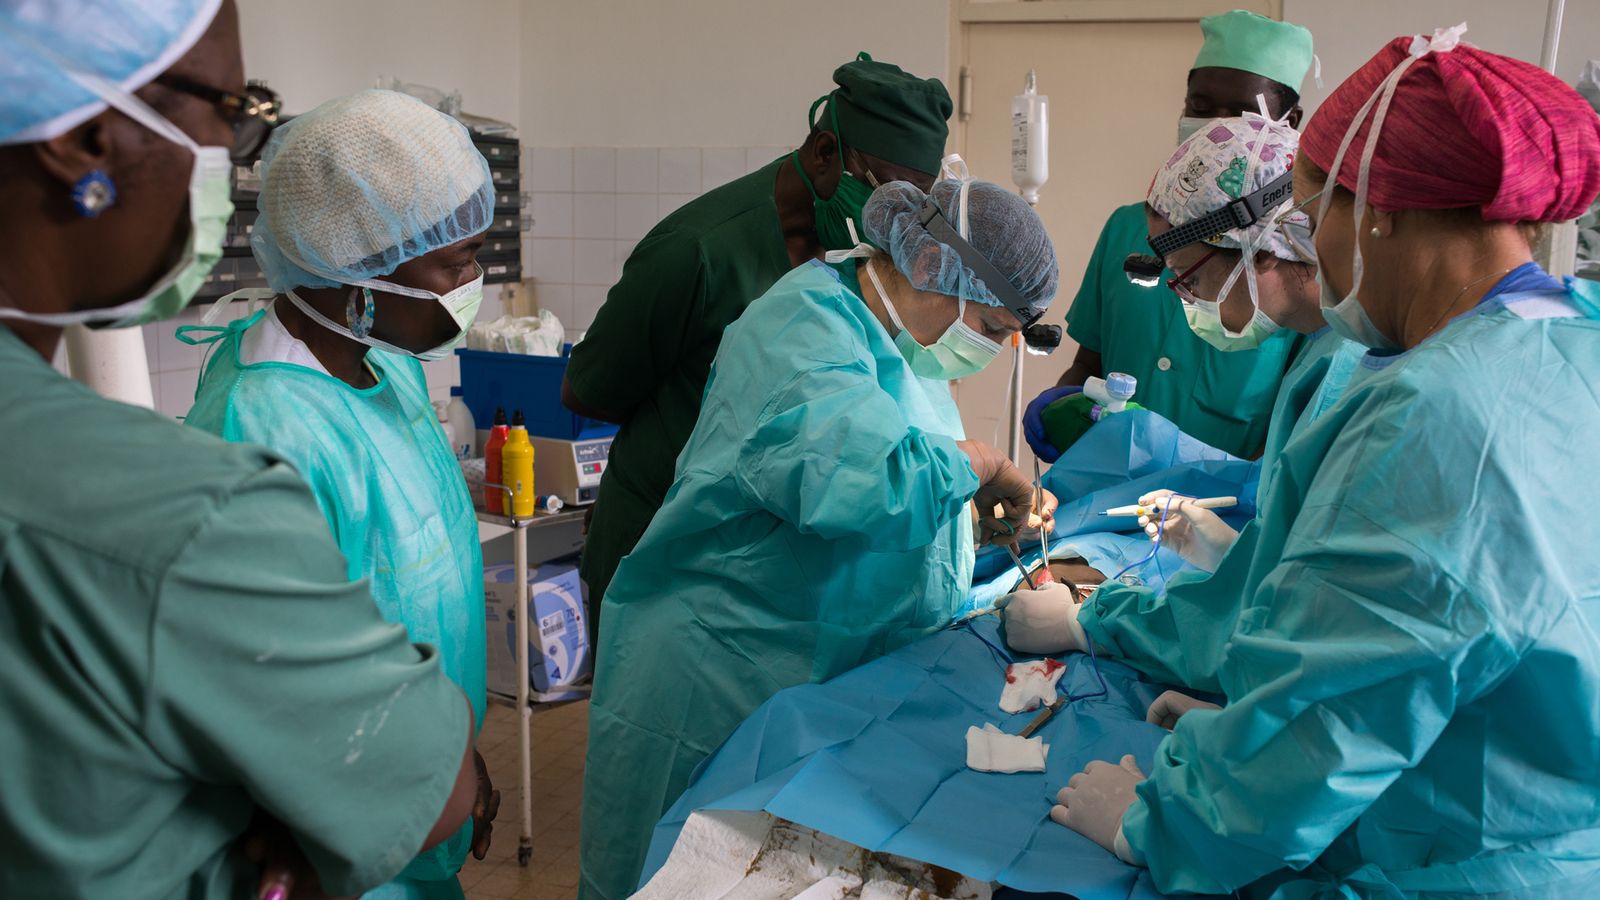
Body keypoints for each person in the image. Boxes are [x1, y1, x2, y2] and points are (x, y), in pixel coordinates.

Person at [1042, 26, 1600, 896]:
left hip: (1467, 858)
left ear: (1373, 207)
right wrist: (1245, 721)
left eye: (1311, 217)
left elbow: (1330, 711)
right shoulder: (1575, 342)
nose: (1312, 249)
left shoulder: (1436, 411)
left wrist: (1169, 818)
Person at [0, 2, 482, 898]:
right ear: (87, 140)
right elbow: (422, 787)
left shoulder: (395, 373)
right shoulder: (204, 491)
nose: (232, 160)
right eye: (233, 110)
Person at [579, 175, 1061, 898]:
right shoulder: (798, 328)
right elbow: (863, 477)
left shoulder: (905, 348)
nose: (991, 348)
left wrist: (963, 516)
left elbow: (891, 463)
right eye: (992, 329)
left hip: (803, 673)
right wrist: (981, 465)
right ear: (933, 269)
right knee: (679, 874)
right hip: (717, 674)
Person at [182, 89, 498, 900]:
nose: (474, 282)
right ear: (352, 265)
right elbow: (266, 691)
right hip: (337, 841)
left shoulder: (382, 359)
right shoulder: (264, 426)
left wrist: (458, 755)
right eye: (452, 263)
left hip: (425, 786)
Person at [562, 53, 953, 647]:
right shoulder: (698, 251)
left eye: (913, 212)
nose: (891, 226)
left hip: (765, 559)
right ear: (824, 154)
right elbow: (590, 389)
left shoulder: (859, 254)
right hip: (663, 543)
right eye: (885, 198)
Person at [1003, 114, 1364, 692]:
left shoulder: (1352, 371)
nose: (1185, 298)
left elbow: (1311, 624)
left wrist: (1089, 620)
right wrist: (1233, 553)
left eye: (1185, 275)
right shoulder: (1331, 350)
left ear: (1260, 247)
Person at [1035, 9, 1315, 459]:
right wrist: (1066, 412)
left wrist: (1191, 487)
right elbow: (1091, 365)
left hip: (1220, 512)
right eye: (1200, 108)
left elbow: (1290, 442)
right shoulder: (1131, 226)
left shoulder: (1291, 275)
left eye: (1240, 112)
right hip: (1103, 496)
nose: (1216, 128)